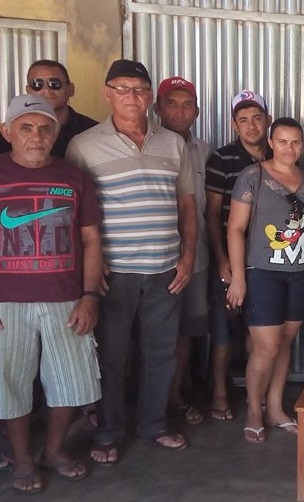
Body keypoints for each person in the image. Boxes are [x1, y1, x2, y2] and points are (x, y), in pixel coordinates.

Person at [66, 59, 197, 466]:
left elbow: (187, 206)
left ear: (150, 98)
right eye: (122, 88)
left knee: (161, 353)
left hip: (165, 271)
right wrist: (90, 265)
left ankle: (154, 424)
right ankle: (107, 432)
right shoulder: (84, 145)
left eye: (140, 89)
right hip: (115, 273)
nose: (132, 97)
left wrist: (188, 257)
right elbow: (73, 212)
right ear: (107, 92)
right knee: (112, 356)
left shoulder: (172, 144)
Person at [0, 94, 102, 494]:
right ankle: (23, 458)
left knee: (70, 382)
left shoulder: (73, 176)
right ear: (7, 132)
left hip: (66, 298)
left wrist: (90, 295)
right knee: (10, 383)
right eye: (25, 127)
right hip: (7, 302)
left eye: (45, 128)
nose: (36, 135)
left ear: (56, 132)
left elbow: (91, 240)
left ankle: (53, 451)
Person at [226, 117, 304, 443]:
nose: (290, 148)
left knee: (285, 340)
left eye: (296, 142)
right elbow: (235, 229)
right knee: (266, 345)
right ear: (272, 142)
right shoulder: (252, 176)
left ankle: (274, 407)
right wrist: (239, 278)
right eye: (283, 141)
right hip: (262, 272)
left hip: (301, 272)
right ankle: (254, 409)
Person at [204, 90, 272, 421]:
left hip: (266, 260)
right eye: (243, 120)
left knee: (256, 332)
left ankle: (254, 398)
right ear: (234, 125)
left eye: (257, 118)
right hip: (231, 258)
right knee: (223, 330)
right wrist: (222, 260)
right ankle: (219, 392)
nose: (251, 126)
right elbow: (213, 214)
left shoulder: (280, 154)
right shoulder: (222, 158)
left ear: (268, 121)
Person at [154, 76, 213, 426]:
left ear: (198, 111)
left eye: (187, 104)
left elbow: (207, 209)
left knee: (188, 330)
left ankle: (174, 398)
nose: (179, 111)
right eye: (171, 103)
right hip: (151, 259)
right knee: (151, 333)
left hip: (196, 260)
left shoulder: (205, 152)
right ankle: (150, 404)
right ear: (157, 107)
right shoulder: (145, 145)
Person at [0, 60, 98, 158]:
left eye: (54, 83)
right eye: (37, 84)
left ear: (70, 89)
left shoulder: (93, 131)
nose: (46, 90)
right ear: (28, 91)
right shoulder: (10, 133)